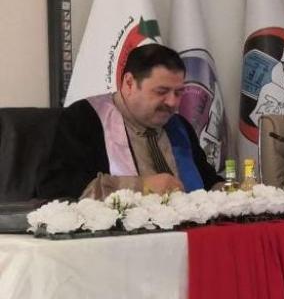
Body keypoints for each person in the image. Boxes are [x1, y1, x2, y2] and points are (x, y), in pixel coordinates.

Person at [39, 45, 223, 200]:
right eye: (161, 92)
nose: (172, 103)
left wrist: (227, 191)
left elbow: (207, 182)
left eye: (178, 93)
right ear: (129, 83)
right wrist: (141, 186)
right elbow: (58, 188)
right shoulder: (84, 119)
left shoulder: (179, 126)